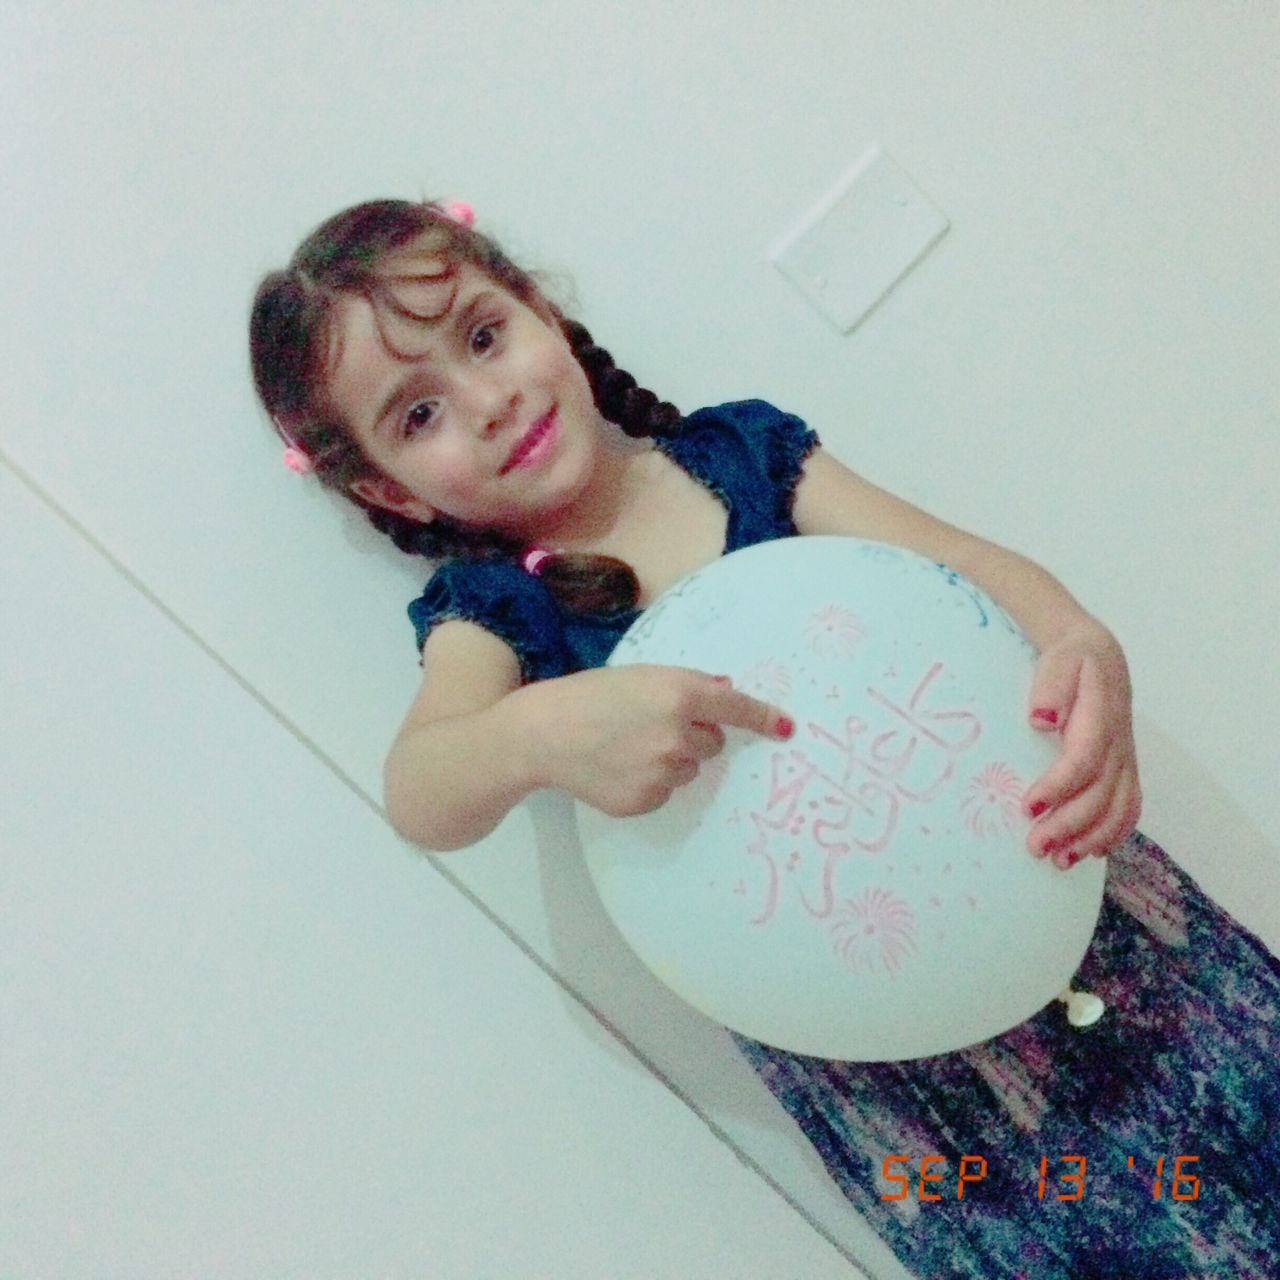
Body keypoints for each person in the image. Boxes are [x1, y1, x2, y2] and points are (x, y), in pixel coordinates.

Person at [250, 198, 1279, 1279]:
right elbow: (421, 785)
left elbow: (973, 568)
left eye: (481, 334)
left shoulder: (743, 457)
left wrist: (1078, 639)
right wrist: (535, 730)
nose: (488, 401)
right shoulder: (500, 611)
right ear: (382, 488)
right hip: (909, 1082)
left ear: (539, 307)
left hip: (1090, 919)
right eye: (417, 415)